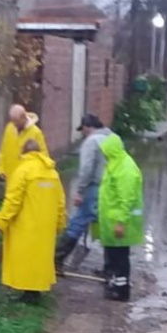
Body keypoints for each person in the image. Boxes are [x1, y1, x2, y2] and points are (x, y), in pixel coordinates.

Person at [0, 139, 66, 303]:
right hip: (46, 226)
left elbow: (13, 200)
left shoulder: (23, 170)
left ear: (24, 152)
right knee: (40, 259)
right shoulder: (52, 173)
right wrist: (60, 223)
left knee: (26, 258)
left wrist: (0, 221)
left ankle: (29, 293)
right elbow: (60, 202)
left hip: (26, 225)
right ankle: (35, 292)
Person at [55, 113, 111, 274]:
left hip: (94, 187)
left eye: (83, 130)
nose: (83, 134)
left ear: (87, 127)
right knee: (107, 227)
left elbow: (86, 169)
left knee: (77, 223)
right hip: (110, 188)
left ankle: (57, 260)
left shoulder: (91, 142)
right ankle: (110, 268)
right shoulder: (113, 138)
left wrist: (80, 191)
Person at [95, 132, 144, 301]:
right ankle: (116, 284)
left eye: (105, 150)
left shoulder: (125, 168)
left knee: (120, 257)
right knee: (114, 256)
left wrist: (121, 222)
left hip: (119, 222)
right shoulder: (116, 164)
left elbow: (126, 199)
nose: (103, 153)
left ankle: (122, 290)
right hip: (113, 221)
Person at [0, 104, 49, 180]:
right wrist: (1, 169)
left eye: (16, 122)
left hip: (28, 177)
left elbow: (44, 154)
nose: (14, 124)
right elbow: (3, 149)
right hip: (10, 176)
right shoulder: (9, 128)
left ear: (23, 117)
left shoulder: (36, 132)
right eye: (13, 121)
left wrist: (41, 174)